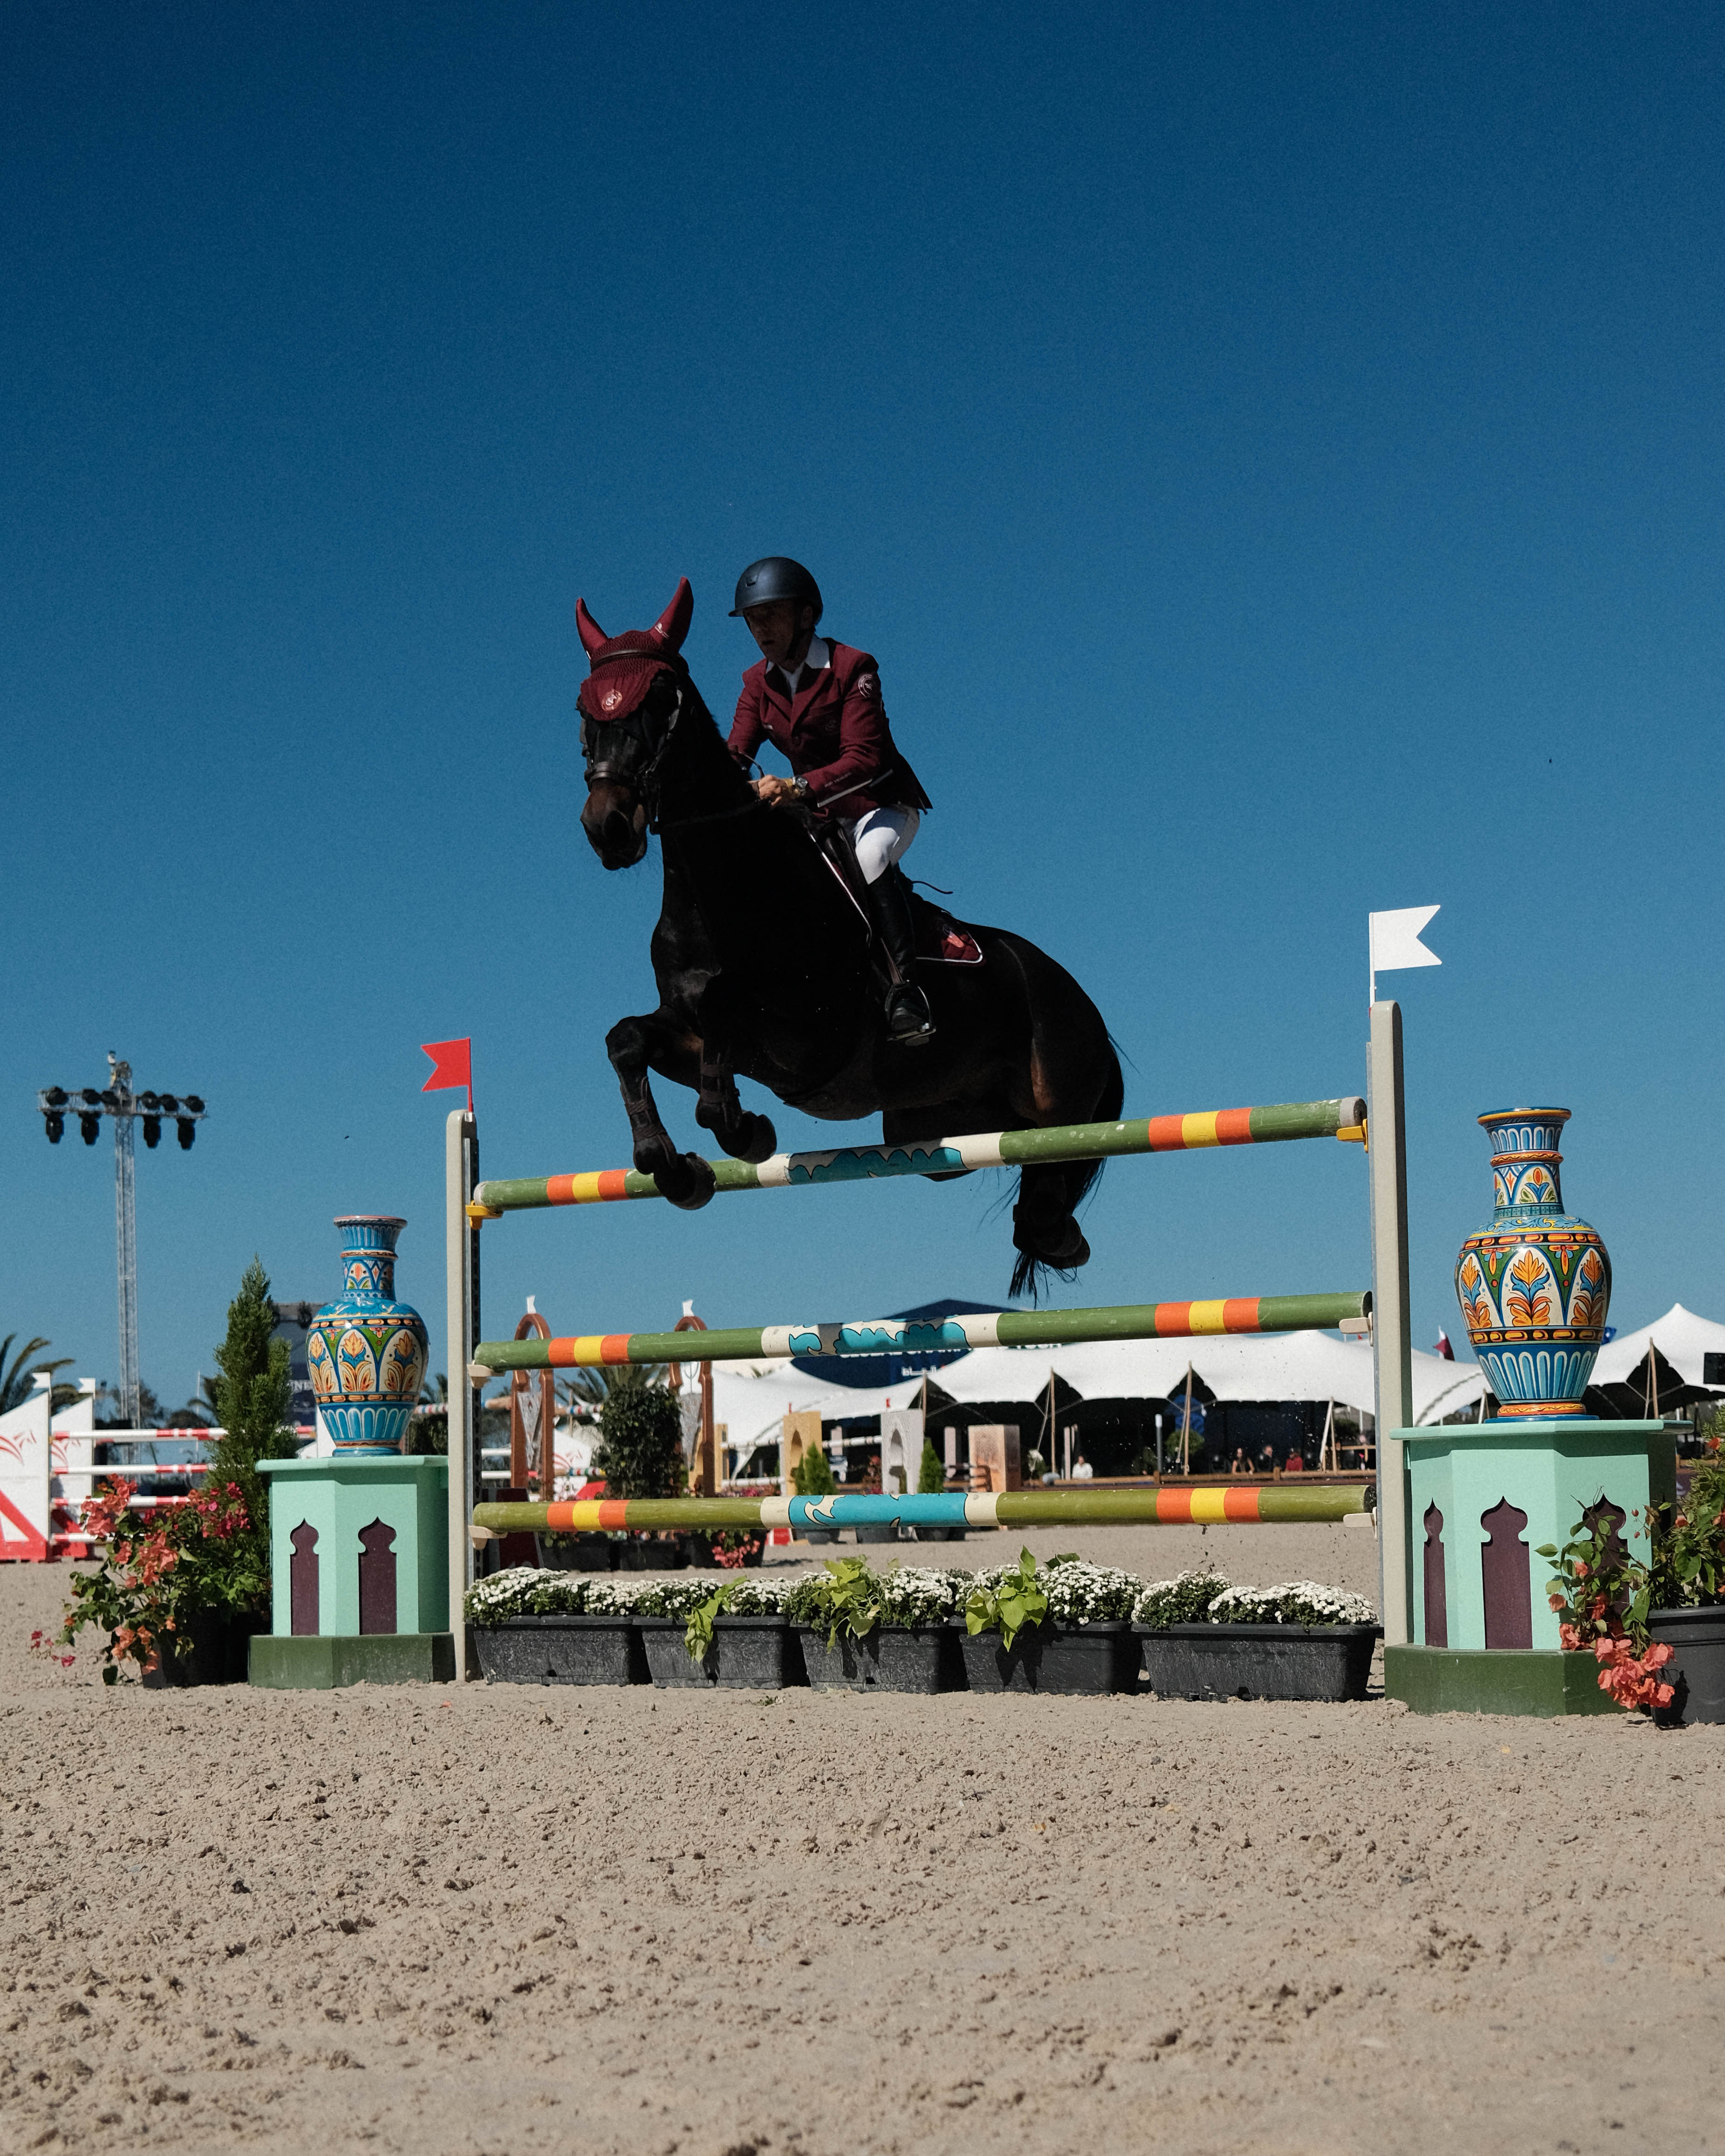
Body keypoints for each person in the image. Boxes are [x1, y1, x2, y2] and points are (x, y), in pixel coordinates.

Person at [727, 556, 936, 1044]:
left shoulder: (853, 668)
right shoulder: (756, 684)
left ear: (806, 616)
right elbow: (736, 754)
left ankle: (908, 992)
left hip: (878, 805)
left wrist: (796, 788)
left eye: (771, 615)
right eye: (753, 621)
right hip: (818, 816)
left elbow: (865, 758)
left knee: (869, 856)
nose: (761, 630)